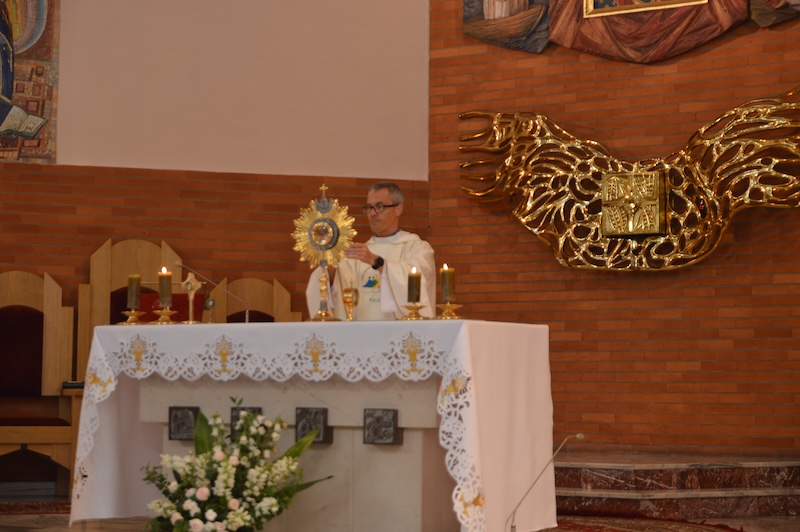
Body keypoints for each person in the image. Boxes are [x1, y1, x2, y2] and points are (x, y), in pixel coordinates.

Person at [306, 181, 436, 320]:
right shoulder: (358, 254)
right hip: (362, 330)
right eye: (369, 207)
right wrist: (330, 262)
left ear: (398, 209)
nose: (372, 213)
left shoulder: (417, 248)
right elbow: (334, 286)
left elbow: (418, 283)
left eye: (379, 207)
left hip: (400, 331)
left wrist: (376, 262)